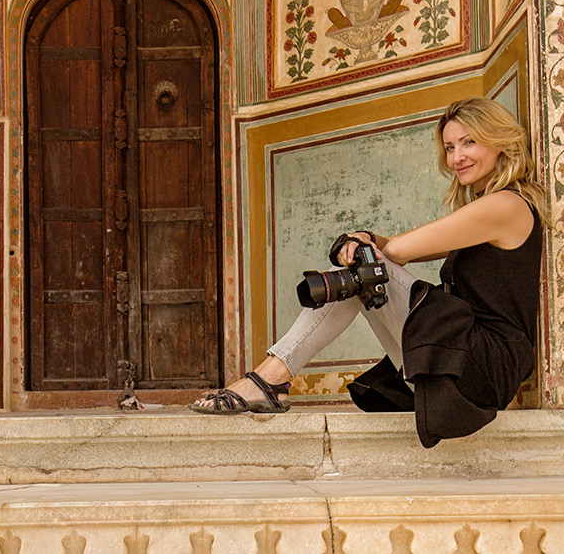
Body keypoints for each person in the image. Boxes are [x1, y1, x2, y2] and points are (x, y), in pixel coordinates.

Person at [189, 97, 545, 448]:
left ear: (500, 140)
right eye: (450, 148)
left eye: (469, 143)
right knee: (363, 263)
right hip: (468, 361)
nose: (456, 158)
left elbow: (398, 252)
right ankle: (271, 377)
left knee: (367, 266)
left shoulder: (506, 205)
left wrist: (363, 246)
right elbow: (392, 248)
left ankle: (270, 377)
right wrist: (365, 238)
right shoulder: (489, 209)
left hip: (486, 364)